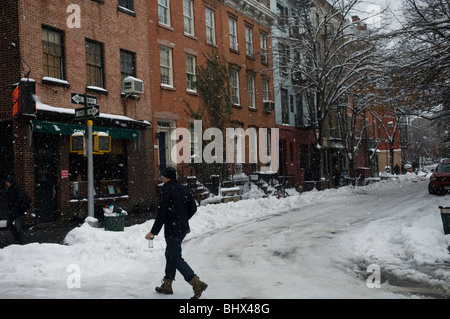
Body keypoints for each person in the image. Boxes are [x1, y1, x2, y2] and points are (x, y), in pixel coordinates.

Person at [145, 167, 208, 299]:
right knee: (170, 254)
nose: (161, 178)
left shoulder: (166, 190)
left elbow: (162, 214)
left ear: (166, 177)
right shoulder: (184, 189)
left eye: (162, 176)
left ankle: (196, 283)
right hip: (182, 228)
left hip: (172, 229)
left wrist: (153, 232)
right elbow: (193, 207)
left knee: (175, 257)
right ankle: (167, 284)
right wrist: (183, 218)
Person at [5, 175, 29, 245]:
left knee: (18, 226)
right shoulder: (9, 189)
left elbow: (20, 198)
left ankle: (19, 240)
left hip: (17, 210)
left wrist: (16, 206)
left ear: (11, 182)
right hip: (12, 210)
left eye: (7, 182)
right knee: (9, 224)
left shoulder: (17, 189)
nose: (6, 184)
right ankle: (17, 238)